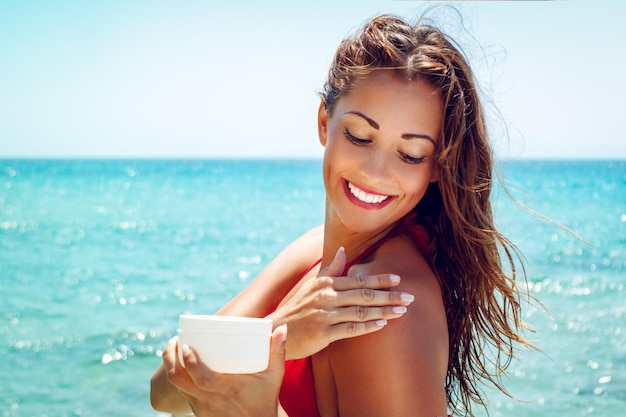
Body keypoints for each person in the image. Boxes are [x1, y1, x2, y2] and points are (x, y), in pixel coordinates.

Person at [151, 13, 531, 417]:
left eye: (411, 154)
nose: (375, 173)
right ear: (323, 121)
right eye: (359, 136)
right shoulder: (314, 251)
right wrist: (277, 337)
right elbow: (164, 387)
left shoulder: (383, 306)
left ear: (436, 165)